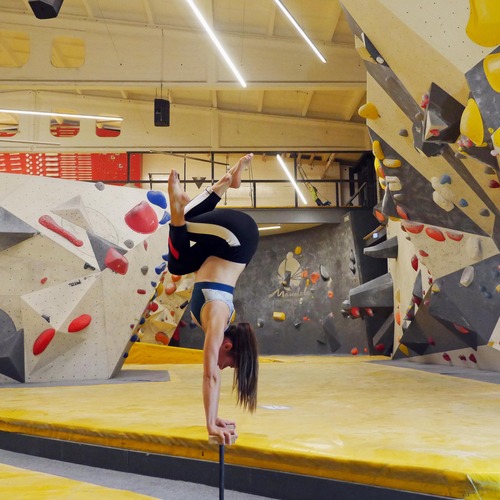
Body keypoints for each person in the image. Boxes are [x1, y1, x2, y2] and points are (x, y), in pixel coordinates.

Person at [167, 153, 259, 445]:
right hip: (236, 237)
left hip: (224, 246)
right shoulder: (217, 319)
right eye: (229, 363)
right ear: (227, 346)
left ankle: (211, 188)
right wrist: (210, 423)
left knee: (178, 263)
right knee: (184, 218)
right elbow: (210, 376)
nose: (223, 367)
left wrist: (216, 416)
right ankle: (216, 187)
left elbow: (213, 374)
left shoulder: (216, 318)